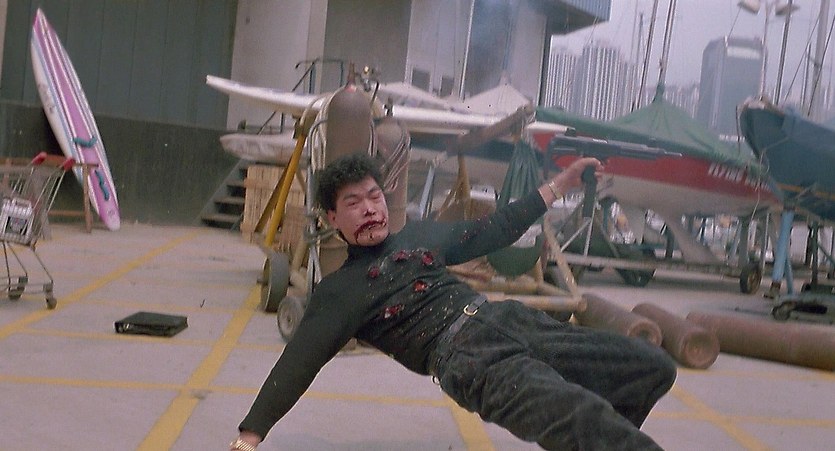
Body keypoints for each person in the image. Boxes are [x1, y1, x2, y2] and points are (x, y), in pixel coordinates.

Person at [230, 152, 676, 451]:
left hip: (512, 321)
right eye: (353, 203)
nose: (369, 209)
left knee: (650, 367)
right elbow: (297, 363)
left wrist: (560, 184)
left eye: (374, 196)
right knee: (582, 416)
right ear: (332, 217)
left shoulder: (418, 237)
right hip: (467, 360)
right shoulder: (340, 291)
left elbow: (496, 229)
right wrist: (247, 439)